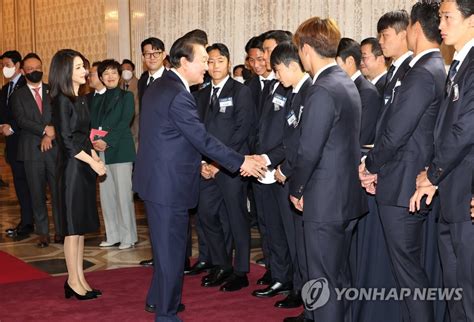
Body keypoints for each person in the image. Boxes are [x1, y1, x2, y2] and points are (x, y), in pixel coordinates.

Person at [132, 34, 266, 322]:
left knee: (166, 247)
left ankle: (158, 299)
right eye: (203, 60)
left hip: (157, 180)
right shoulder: (178, 94)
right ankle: (166, 315)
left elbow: (173, 138)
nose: (207, 66)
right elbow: (202, 139)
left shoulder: (161, 85)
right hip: (168, 185)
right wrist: (240, 160)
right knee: (170, 252)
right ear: (184, 62)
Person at [361, 3, 446, 321]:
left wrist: (370, 165)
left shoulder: (424, 71)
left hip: (403, 184)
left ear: (415, 29)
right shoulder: (434, 67)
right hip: (409, 180)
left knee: (409, 275)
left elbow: (396, 131)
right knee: (409, 271)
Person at [286, 17, 366, 322]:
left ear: (306, 49)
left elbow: (309, 150)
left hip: (325, 202)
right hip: (345, 199)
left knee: (324, 284)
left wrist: (297, 189)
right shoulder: (345, 81)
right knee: (339, 278)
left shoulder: (322, 89)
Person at [410, 0, 474, 320]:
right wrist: (433, 174)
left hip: (465, 193)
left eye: (448, 17)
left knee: (468, 288)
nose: (441, 25)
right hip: (451, 193)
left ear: (472, 21)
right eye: (439, 18)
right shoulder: (458, 62)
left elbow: (466, 129)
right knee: (455, 289)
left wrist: (433, 174)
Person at [194, 43, 255, 292]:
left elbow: (243, 131)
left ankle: (240, 271)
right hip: (207, 168)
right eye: (209, 61)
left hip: (231, 167)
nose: (214, 66)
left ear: (228, 63)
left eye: (219, 61)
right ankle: (221, 264)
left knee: (236, 218)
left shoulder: (241, 91)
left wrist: (220, 162)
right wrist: (202, 162)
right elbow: (196, 132)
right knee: (206, 214)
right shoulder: (201, 93)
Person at [49, 49, 106, 300]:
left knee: (80, 227)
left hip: (82, 165)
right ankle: (73, 281)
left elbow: (84, 137)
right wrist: (92, 163)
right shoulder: (61, 99)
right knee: (72, 228)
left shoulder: (81, 98)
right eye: (79, 67)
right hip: (71, 168)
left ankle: (80, 278)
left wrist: (95, 158)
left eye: (84, 67)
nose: (85, 71)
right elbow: (67, 142)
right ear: (65, 71)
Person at [271, 41, 312, 311]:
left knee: (307, 248)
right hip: (293, 176)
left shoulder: (310, 92)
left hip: (304, 179)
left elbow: (304, 143)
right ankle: (301, 294)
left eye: (277, 70)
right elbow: (289, 139)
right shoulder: (296, 93)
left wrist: (285, 169)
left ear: (290, 65)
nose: (276, 76)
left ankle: (308, 301)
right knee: (297, 242)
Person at [11, 53, 61, 247]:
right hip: (31, 150)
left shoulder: (53, 91)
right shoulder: (18, 95)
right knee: (36, 192)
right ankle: (43, 233)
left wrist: (50, 134)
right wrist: (43, 130)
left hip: (54, 148)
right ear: (23, 72)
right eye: (30, 69)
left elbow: (59, 115)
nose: (34, 71)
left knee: (57, 191)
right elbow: (22, 120)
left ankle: (60, 230)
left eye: (37, 67)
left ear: (43, 68)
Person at [91, 59, 137, 250]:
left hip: (120, 151)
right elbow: (93, 125)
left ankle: (128, 236)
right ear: (101, 77)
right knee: (107, 195)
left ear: (119, 76)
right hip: (101, 152)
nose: (110, 77)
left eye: (113, 73)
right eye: (105, 74)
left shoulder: (126, 96)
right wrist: (95, 142)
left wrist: (107, 141)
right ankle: (112, 234)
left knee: (123, 196)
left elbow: (124, 122)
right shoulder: (96, 99)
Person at [0, 50, 35, 238]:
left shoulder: (27, 85)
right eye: (3, 65)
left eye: (8, 64)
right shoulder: (5, 89)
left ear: (18, 65)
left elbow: (27, 113)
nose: (5, 69)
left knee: (31, 185)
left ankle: (32, 221)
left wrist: (11, 127)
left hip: (26, 142)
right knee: (20, 185)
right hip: (12, 145)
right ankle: (26, 220)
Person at [336, 37, 381, 146]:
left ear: (350, 61)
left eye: (336, 64)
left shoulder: (367, 92)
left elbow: (362, 135)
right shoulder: (339, 88)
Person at [120, 59, 140, 149]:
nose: (125, 71)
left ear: (133, 70)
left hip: (136, 123)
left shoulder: (139, 84)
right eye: (123, 69)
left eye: (128, 68)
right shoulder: (118, 85)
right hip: (121, 126)